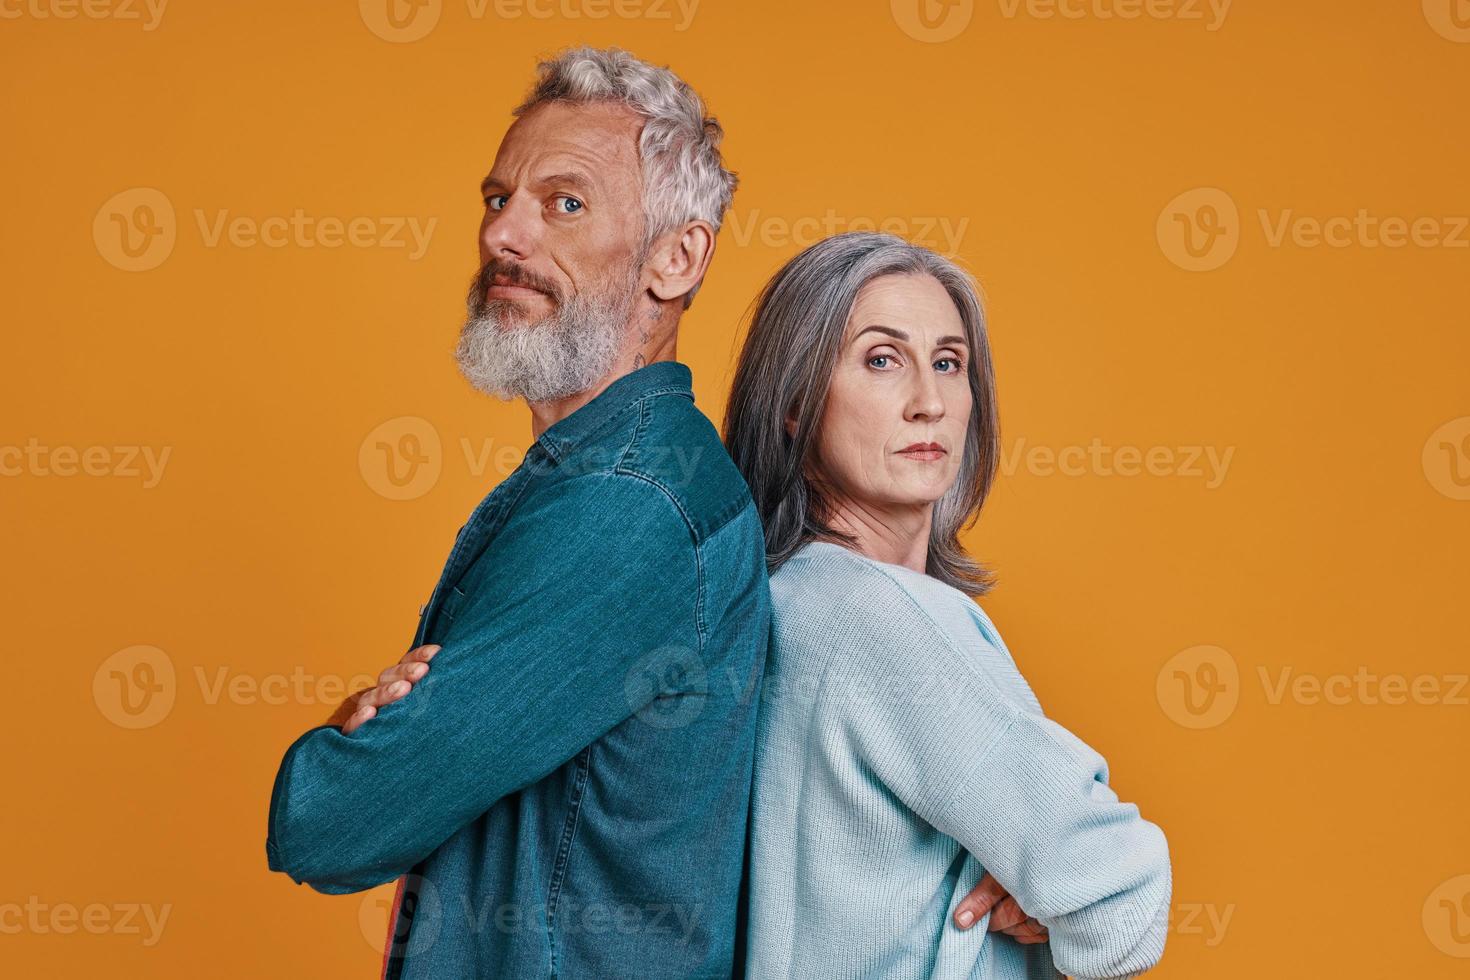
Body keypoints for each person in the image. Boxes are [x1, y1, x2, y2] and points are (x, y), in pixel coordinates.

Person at [264, 47, 770, 980]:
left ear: (677, 256)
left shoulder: (628, 508)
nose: (506, 235)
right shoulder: (617, 475)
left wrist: (344, 745)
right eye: (500, 200)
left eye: (564, 203)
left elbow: (332, 824)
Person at [725, 232, 1173, 979]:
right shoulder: (886, 619)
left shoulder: (779, 602)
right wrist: (1054, 896)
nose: (928, 403)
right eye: (880, 359)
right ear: (796, 402)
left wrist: (1035, 882)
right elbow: (1123, 904)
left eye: (948, 363)